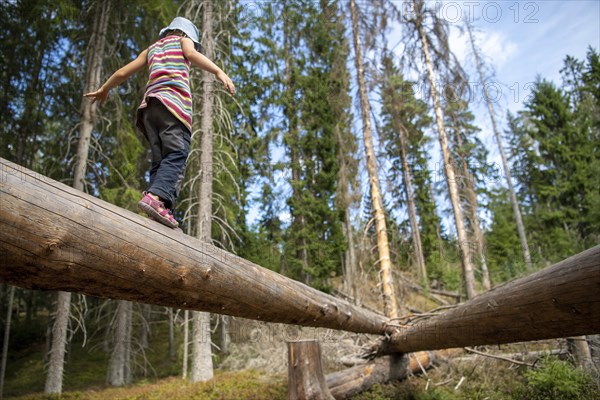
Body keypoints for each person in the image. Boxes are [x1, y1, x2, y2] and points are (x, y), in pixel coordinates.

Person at [84, 17, 235, 229]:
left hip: (149, 110)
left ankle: (160, 207)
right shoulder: (183, 41)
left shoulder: (152, 48)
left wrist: (105, 88)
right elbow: (191, 54)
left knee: (161, 160)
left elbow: (122, 72)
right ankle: (156, 198)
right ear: (185, 34)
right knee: (176, 154)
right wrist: (218, 71)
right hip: (173, 108)